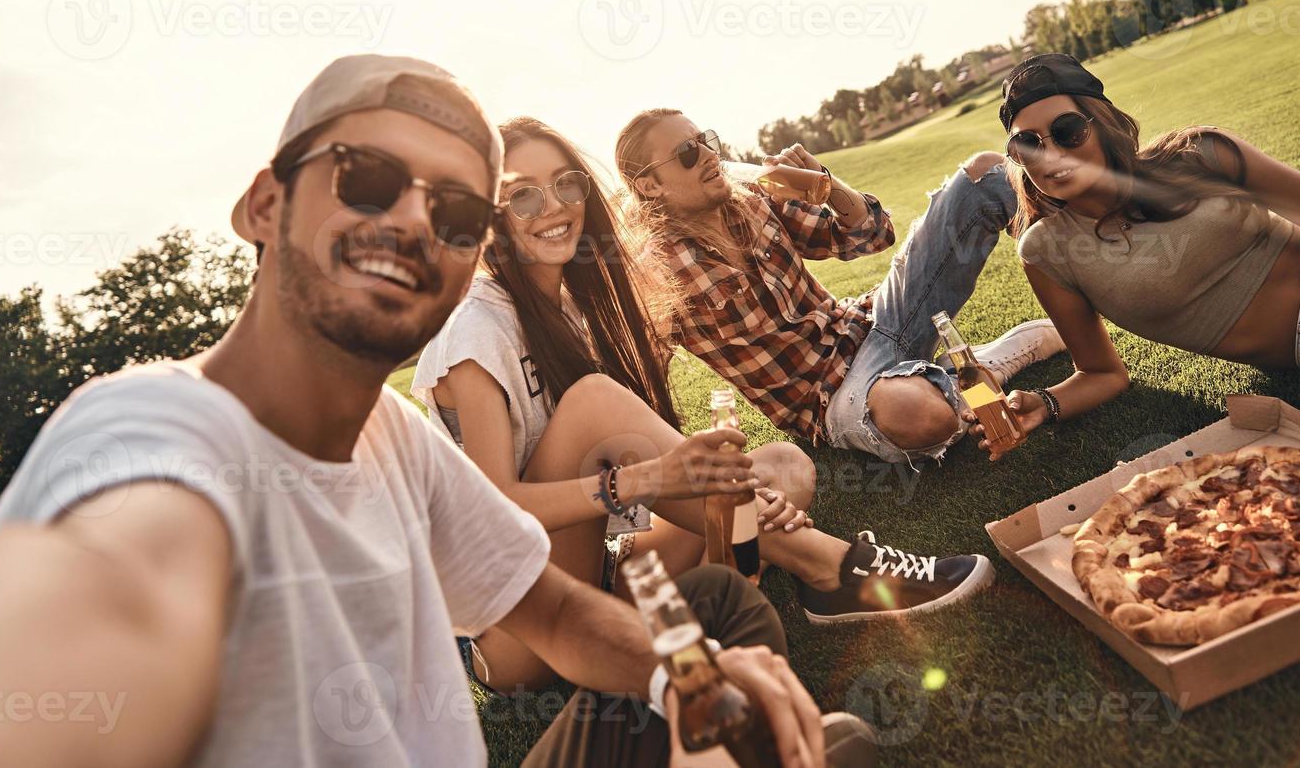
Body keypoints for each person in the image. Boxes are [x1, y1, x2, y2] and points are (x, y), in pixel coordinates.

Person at [0, 56, 873, 768]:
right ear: (265, 204)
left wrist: (686, 682)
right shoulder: (146, 425)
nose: (416, 224)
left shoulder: (389, 435)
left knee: (716, 616)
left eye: (461, 211)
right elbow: (99, 587)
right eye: (367, 178)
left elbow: (553, 612)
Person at [412, 118, 993, 681]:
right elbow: (496, 511)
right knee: (594, 402)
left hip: (599, 574)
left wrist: (728, 491)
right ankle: (831, 568)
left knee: (783, 467)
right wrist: (644, 481)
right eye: (522, 197)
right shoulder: (474, 328)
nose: (555, 206)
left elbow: (631, 470)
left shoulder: (570, 312)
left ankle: (718, 598)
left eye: (566, 184)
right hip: (515, 627)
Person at [996, 52, 1300, 434]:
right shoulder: (1047, 251)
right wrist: (1045, 403)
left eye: (1067, 131)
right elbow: (1101, 372)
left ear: (1101, 125)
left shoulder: (1199, 153)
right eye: (1028, 144)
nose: (1049, 154)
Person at [615, 110, 1065, 471]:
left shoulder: (754, 199)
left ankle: (1083, 277)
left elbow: (873, 234)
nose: (710, 156)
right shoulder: (655, 272)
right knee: (923, 416)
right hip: (828, 399)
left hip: (872, 324)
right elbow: (640, 380)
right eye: (688, 152)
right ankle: (974, 369)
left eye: (707, 140)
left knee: (985, 175)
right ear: (649, 184)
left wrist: (826, 185)